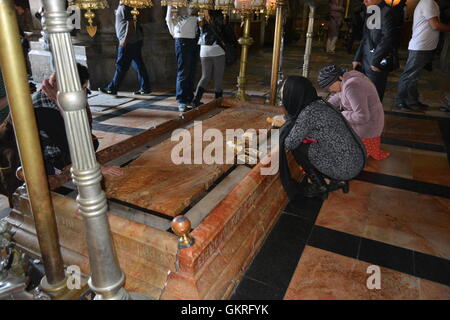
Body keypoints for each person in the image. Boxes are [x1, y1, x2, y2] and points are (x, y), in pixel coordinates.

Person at [279, 76, 366, 200]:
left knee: (299, 146)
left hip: (347, 168)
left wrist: (289, 127)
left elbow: (289, 143)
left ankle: (319, 186)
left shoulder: (308, 114)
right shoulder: (320, 103)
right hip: (358, 158)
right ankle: (338, 180)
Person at [318, 65, 389, 160]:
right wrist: (325, 106)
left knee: (333, 133)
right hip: (371, 120)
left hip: (368, 127)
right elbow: (340, 95)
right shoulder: (348, 78)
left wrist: (341, 114)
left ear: (338, 78)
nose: (330, 90)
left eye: (329, 87)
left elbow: (362, 117)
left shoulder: (352, 86)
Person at [395, 0, 450, 111]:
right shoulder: (428, 2)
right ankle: (400, 100)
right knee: (409, 75)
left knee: (414, 77)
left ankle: (413, 100)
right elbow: (435, 25)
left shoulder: (430, 3)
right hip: (420, 46)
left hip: (425, 46)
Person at [99, 3, 151, 96]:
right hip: (134, 41)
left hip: (129, 42)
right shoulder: (124, 7)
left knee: (121, 65)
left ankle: (112, 88)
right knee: (138, 65)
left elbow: (130, 24)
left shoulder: (124, 7)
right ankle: (145, 88)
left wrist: (124, 40)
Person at [353, 0, 397, 101]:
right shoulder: (373, 10)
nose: (364, 2)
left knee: (373, 97)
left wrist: (376, 61)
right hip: (364, 61)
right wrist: (357, 57)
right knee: (361, 96)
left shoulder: (387, 11)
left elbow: (388, 38)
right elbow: (366, 37)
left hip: (376, 62)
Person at [166, 6, 199, 112]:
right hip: (182, 37)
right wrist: (176, 33)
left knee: (192, 70)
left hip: (195, 37)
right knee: (184, 71)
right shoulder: (175, 2)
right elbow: (168, 19)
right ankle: (181, 100)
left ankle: (189, 97)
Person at [192, 10, 226, 107]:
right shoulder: (219, 15)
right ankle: (218, 102)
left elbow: (198, 32)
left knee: (205, 76)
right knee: (218, 77)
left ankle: (195, 100)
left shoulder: (200, 16)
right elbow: (222, 29)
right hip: (217, 48)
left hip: (204, 49)